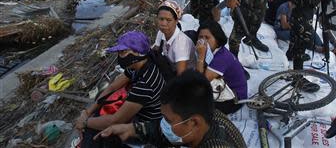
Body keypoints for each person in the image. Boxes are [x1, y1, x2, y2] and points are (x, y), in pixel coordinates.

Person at [96, 70, 247, 148]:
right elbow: (161, 131)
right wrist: (130, 129)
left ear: (194, 122)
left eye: (168, 120)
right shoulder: (203, 115)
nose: (164, 124)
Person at [75, 31, 165, 147]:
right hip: (138, 116)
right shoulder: (137, 66)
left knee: (96, 133)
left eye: (123, 52)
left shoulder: (145, 84)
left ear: (137, 52)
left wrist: (85, 122)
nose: (120, 56)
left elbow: (115, 121)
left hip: (147, 130)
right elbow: (112, 87)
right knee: (99, 110)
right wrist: (88, 112)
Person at [195, 20, 247, 114]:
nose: (203, 41)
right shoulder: (213, 52)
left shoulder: (221, 58)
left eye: (207, 38)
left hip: (234, 99)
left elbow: (200, 83)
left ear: (217, 39)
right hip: (224, 85)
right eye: (200, 37)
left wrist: (200, 57)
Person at [154, 0, 196, 75]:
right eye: (161, 19)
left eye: (168, 20)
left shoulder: (181, 44)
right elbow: (155, 51)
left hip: (187, 77)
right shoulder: (161, 32)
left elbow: (181, 76)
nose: (163, 23)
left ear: (176, 21)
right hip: (171, 68)